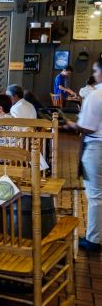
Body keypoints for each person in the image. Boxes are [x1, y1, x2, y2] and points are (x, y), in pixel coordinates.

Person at [66, 59, 102, 252]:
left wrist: (71, 126)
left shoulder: (96, 95)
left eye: (96, 71)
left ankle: (93, 239)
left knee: (95, 195)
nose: (95, 75)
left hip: (96, 147)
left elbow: (87, 127)